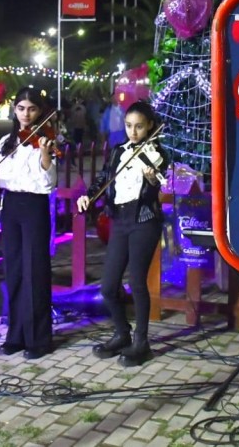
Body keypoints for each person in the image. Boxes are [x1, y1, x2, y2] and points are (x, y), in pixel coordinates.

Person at [76, 101, 168, 367]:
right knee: (108, 287)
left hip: (144, 220)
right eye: (129, 126)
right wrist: (88, 196)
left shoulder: (156, 153)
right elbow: (104, 178)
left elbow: (155, 185)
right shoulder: (119, 151)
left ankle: (142, 342)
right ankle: (122, 333)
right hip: (120, 221)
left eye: (139, 126)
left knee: (137, 283)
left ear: (150, 125)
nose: (133, 132)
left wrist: (151, 178)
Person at [0, 87, 58, 359]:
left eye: (31, 109)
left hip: (34, 207)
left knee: (35, 271)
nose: (26, 114)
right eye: (21, 108)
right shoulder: (8, 140)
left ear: (40, 111)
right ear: (14, 110)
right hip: (12, 206)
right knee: (15, 269)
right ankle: (16, 334)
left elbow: (49, 181)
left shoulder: (47, 140)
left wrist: (44, 153)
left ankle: (39, 339)